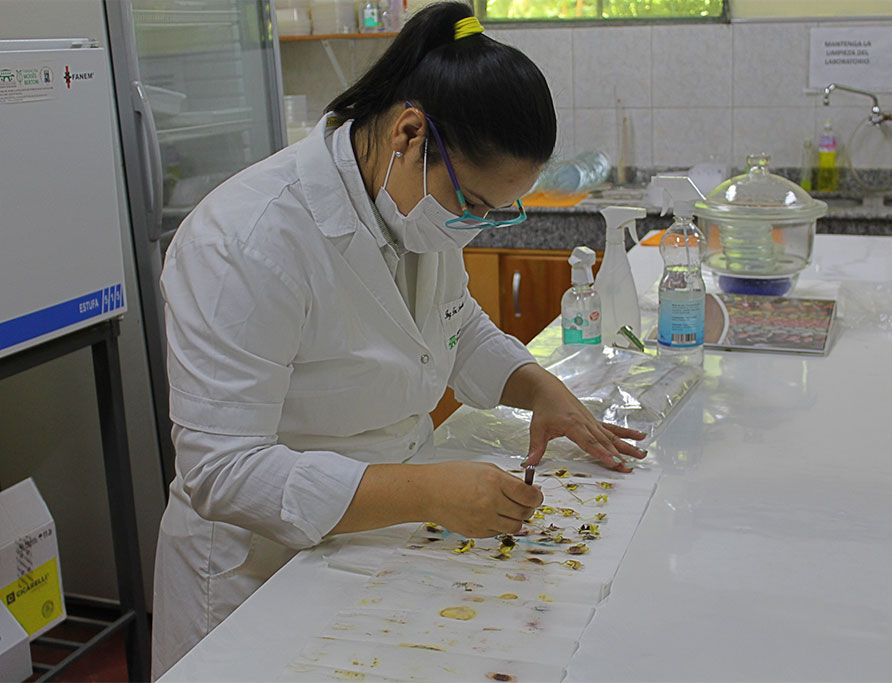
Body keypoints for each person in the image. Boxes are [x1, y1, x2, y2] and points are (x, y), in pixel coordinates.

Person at [151, 3, 646, 677]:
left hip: (383, 549)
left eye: (498, 213)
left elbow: (453, 325)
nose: (475, 227)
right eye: (473, 204)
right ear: (409, 132)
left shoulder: (407, 208)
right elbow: (222, 470)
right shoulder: (247, 240)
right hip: (260, 571)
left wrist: (538, 388)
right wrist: (428, 492)